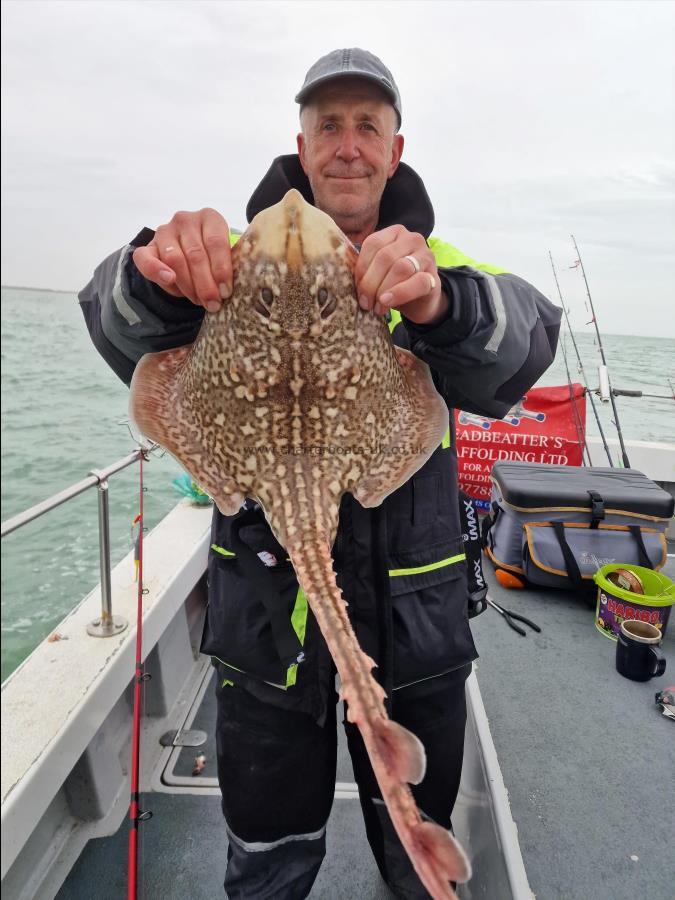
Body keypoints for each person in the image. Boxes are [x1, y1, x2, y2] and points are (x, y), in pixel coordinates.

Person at [80, 48, 561, 899]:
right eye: (328, 126)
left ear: (394, 150)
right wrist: (153, 274)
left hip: (415, 634)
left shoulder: (432, 262)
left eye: (366, 127)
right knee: (267, 857)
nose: (347, 145)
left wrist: (437, 302)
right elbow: (112, 321)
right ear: (300, 147)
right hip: (267, 638)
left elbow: (523, 345)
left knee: (414, 839)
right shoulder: (225, 261)